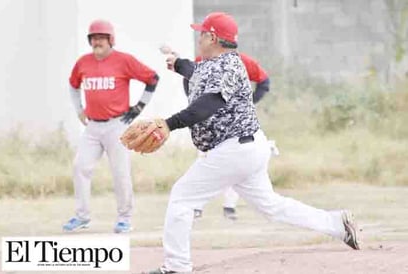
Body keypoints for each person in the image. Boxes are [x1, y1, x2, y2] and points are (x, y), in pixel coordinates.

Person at [140, 12, 360, 274]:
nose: (198, 37)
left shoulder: (228, 66)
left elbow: (207, 105)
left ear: (212, 37)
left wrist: (169, 123)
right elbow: (197, 72)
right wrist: (177, 64)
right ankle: (337, 224)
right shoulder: (218, 63)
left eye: (202, 33)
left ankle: (176, 266)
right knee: (272, 206)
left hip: (233, 150)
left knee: (182, 198)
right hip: (246, 148)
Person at [63, 19, 159, 233]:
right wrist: (79, 109)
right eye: (94, 38)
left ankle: (125, 218)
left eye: (101, 38)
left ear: (111, 40)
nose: (97, 41)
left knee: (120, 172)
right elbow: (73, 85)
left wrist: (139, 107)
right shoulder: (83, 62)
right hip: (93, 127)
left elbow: (152, 78)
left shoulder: (123, 60)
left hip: (117, 125)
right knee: (80, 167)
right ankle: (82, 216)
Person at [160, 46, 271, 220]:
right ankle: (198, 206)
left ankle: (228, 207)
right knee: (206, 162)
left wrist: (249, 102)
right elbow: (190, 81)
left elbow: (264, 81)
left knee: (231, 168)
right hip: (209, 125)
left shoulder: (241, 61)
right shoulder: (201, 62)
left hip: (235, 127)